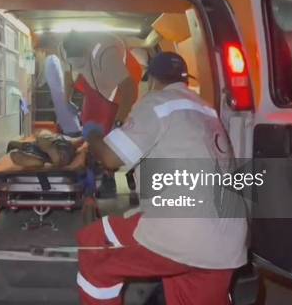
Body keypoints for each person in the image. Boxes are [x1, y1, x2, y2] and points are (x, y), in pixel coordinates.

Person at [76, 52, 248, 305]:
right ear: (185, 80)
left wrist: (92, 137)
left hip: (183, 231)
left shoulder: (158, 103)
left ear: (153, 79)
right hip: (229, 241)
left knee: (93, 247)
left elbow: (112, 160)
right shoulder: (208, 110)